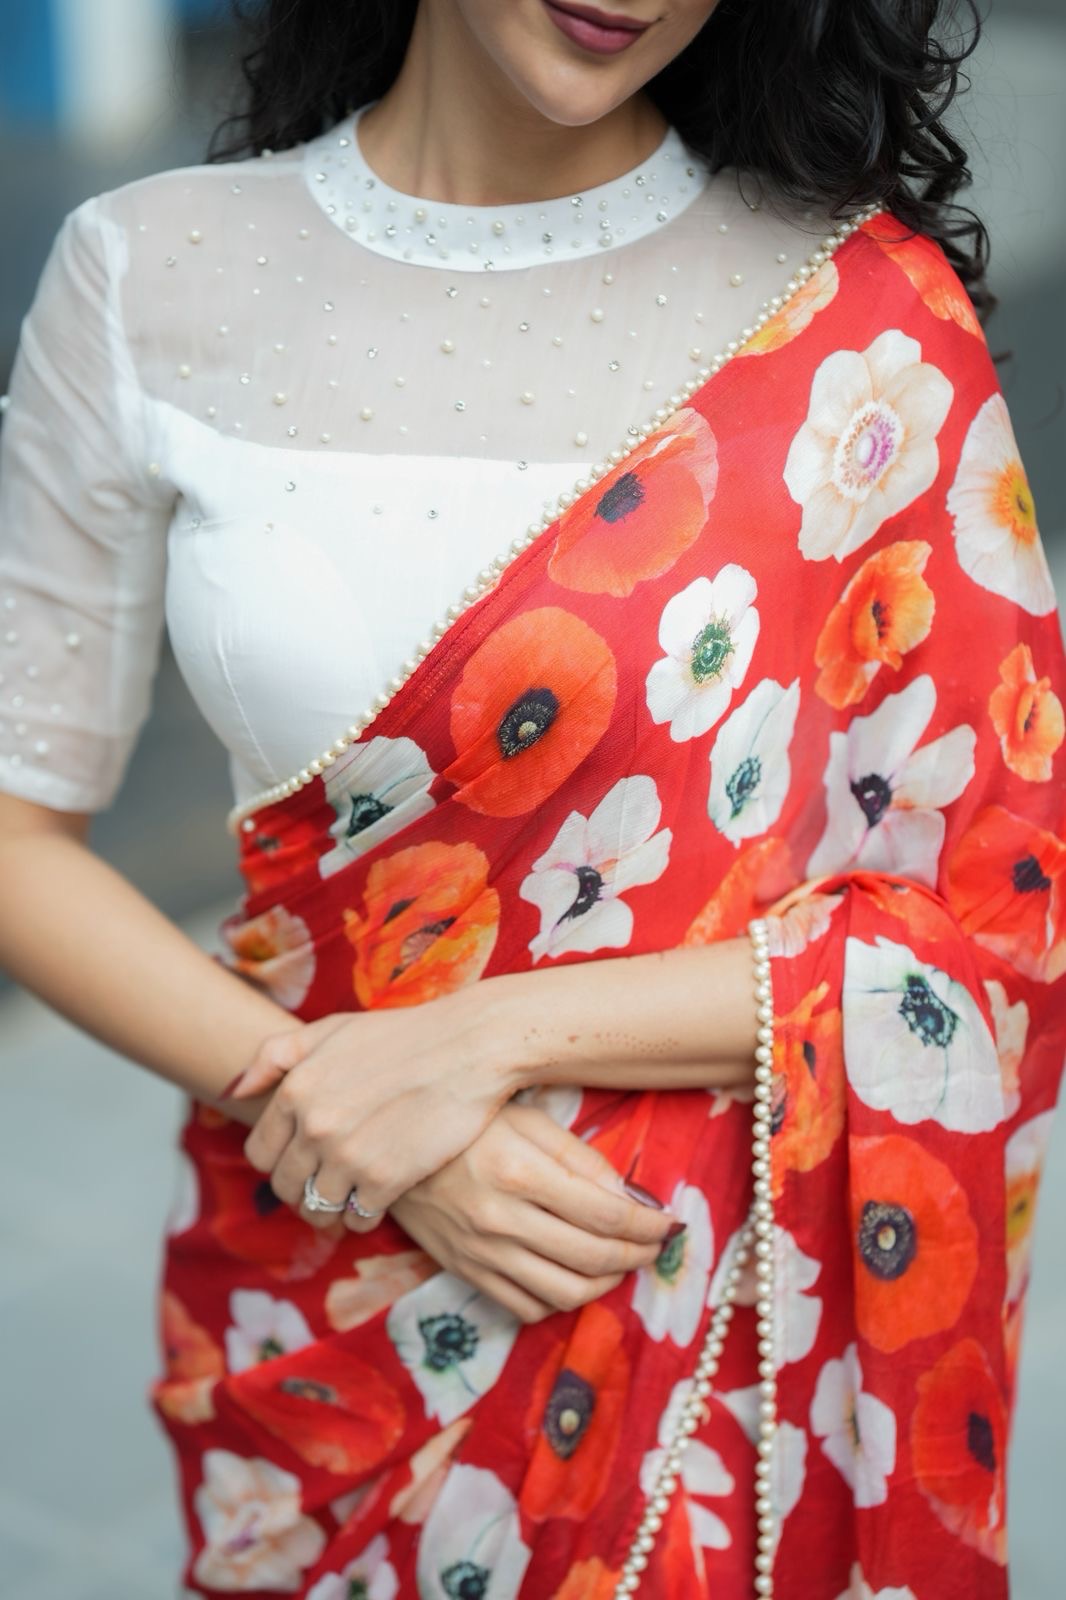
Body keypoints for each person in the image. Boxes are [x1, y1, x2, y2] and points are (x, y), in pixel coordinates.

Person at [0, 0, 1063, 1594]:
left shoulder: (855, 326)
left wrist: (480, 1042)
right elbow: (15, 830)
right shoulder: (150, 272)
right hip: (318, 1279)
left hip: (709, 1324)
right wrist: (370, 1123)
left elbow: (1002, 917)